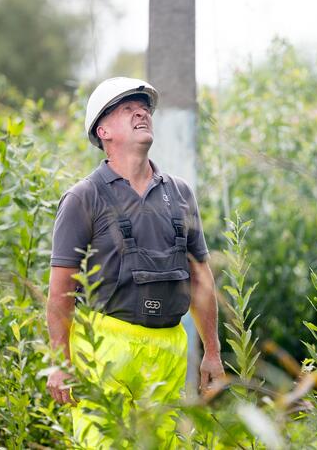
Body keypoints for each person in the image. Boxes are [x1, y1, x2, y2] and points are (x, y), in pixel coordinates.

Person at [45, 77, 224, 447]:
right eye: (127, 107)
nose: (141, 111)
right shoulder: (83, 199)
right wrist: (60, 364)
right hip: (104, 353)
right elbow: (61, 292)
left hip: (169, 355)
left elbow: (201, 279)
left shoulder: (181, 195)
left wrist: (212, 352)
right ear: (103, 130)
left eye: (144, 107)